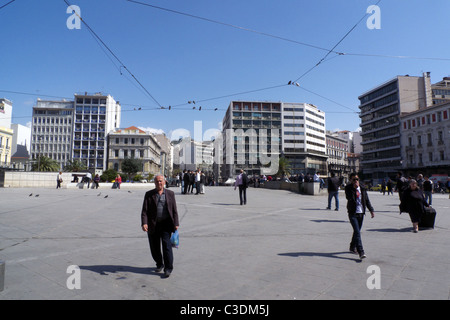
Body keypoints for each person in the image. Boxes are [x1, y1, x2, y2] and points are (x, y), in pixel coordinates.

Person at [141, 174, 179, 278]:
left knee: (166, 246)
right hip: (153, 224)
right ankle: (159, 263)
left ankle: (168, 268)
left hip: (166, 224)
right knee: (154, 247)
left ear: (164, 182)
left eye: (161, 181)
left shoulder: (170, 194)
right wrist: (144, 223)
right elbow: (144, 210)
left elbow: (174, 210)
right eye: (157, 181)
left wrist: (176, 223)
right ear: (154, 183)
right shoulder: (149, 194)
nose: (159, 183)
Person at [345, 173, 375, 260]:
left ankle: (352, 246)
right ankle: (361, 251)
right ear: (351, 180)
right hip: (352, 213)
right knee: (358, 232)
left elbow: (366, 200)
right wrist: (354, 189)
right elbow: (349, 198)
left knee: (356, 231)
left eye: (357, 179)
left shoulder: (363, 188)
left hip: (361, 213)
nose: (356, 181)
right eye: (354, 179)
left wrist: (371, 210)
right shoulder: (348, 188)